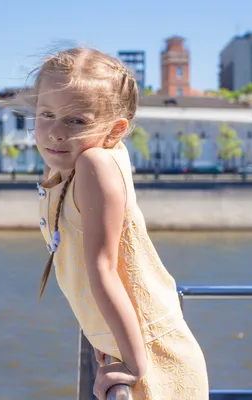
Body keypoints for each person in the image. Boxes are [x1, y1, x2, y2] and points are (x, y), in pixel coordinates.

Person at [28, 48, 209, 399]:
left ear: (116, 130)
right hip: (127, 341)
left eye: (76, 120)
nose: (55, 133)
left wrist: (134, 364)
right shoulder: (65, 165)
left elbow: (103, 268)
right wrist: (101, 333)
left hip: (151, 358)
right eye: (46, 114)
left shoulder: (95, 164)